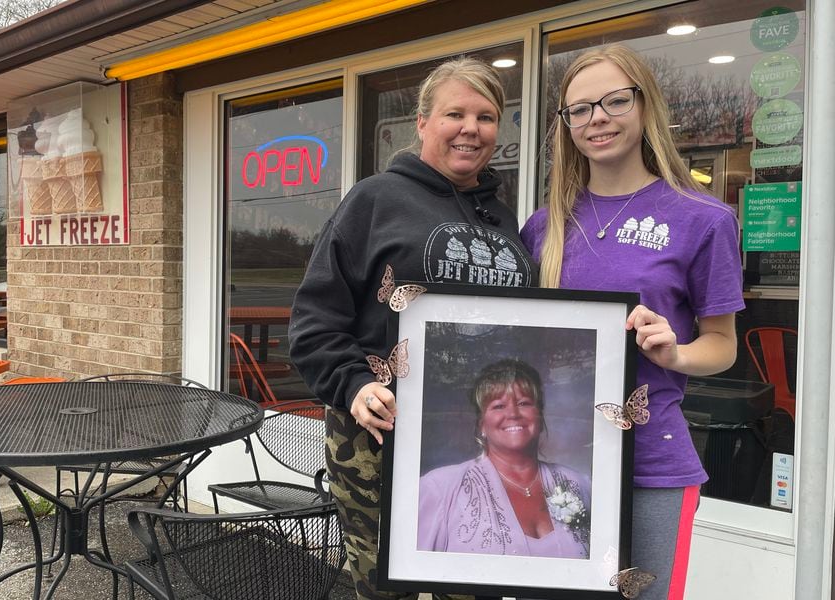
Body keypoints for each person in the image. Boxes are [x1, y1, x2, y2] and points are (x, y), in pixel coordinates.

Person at [289, 57, 537, 600]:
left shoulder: (503, 217)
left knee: (473, 576)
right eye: (455, 113)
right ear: (422, 123)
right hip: (381, 436)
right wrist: (353, 385)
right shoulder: (374, 200)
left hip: (477, 434)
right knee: (383, 584)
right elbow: (314, 323)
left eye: (487, 116)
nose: (471, 128)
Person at [521, 44, 744, 599]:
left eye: (615, 101)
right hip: (550, 460)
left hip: (652, 465)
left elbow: (722, 344)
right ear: (566, 123)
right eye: (579, 109)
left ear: (644, 106)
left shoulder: (704, 219)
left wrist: (676, 354)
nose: (597, 118)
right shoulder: (543, 227)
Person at [417, 359, 591, 558]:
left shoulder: (581, 485)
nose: (513, 414)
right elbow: (411, 573)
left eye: (524, 403)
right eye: (498, 406)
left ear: (540, 417)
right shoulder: (440, 488)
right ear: (481, 424)